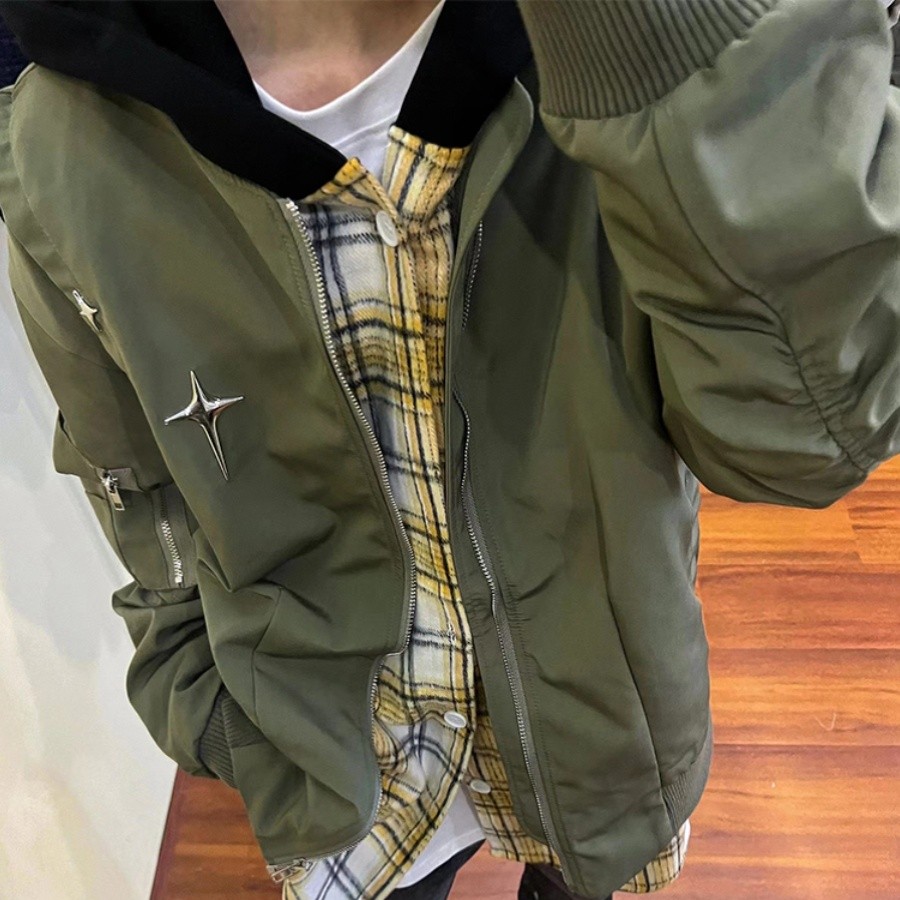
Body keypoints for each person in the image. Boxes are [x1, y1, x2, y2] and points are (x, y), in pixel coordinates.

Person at [0, 0, 898, 898]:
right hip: (344, 771)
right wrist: (200, 697)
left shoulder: (628, 53)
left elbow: (809, 436)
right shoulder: (64, 136)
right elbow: (129, 476)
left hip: (608, 724)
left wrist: (670, 49)